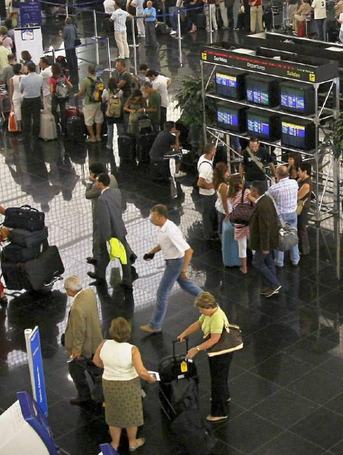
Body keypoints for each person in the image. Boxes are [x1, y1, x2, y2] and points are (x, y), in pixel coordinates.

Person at [176, 291, 241, 422]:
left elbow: (214, 340)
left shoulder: (217, 317)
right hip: (217, 352)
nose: (200, 312)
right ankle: (225, 396)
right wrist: (184, 333)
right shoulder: (209, 313)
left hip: (221, 353)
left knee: (218, 380)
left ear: (209, 307)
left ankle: (219, 412)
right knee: (220, 378)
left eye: (201, 309)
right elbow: (198, 323)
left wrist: (196, 349)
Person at [94, 317, 159, 450]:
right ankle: (132, 442)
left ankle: (115, 443)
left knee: (113, 414)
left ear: (112, 332)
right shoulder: (132, 349)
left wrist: (109, 366)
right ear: (127, 333)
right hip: (128, 385)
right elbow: (141, 371)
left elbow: (97, 362)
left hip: (109, 384)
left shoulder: (104, 344)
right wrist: (150, 378)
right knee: (131, 414)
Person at [140, 204, 202, 332]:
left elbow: (189, 251)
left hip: (175, 264)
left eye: (154, 217)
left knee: (162, 293)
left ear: (162, 217)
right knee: (187, 286)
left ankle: (155, 325)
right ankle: (211, 302)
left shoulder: (171, 230)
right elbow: (164, 243)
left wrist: (184, 270)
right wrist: (152, 252)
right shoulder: (163, 227)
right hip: (173, 262)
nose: (152, 219)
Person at [63, 275, 104, 407]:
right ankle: (103, 392)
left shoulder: (77, 309)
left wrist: (76, 351)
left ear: (70, 290)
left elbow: (79, 332)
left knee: (75, 370)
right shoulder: (89, 293)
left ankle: (84, 396)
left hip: (84, 347)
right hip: (95, 340)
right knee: (95, 367)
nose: (65, 291)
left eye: (66, 289)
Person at [88, 172, 133, 286]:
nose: (96, 183)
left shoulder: (102, 199)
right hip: (119, 227)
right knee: (112, 254)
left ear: (101, 184)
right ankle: (101, 274)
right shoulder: (116, 192)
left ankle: (104, 275)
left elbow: (105, 219)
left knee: (110, 253)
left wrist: (107, 237)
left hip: (110, 232)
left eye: (97, 181)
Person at [246, 181, 282, 296]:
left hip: (264, 241)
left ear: (255, 192)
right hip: (271, 238)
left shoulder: (262, 205)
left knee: (257, 262)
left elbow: (264, 227)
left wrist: (265, 246)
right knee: (269, 261)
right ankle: (271, 285)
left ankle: (275, 283)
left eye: (251, 189)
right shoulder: (266, 199)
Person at [267, 164, 300, 267]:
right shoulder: (294, 183)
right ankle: (295, 259)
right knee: (293, 235)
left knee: (280, 238)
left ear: (277, 174)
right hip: (293, 213)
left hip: (281, 216)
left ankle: (279, 261)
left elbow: (267, 197)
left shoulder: (274, 188)